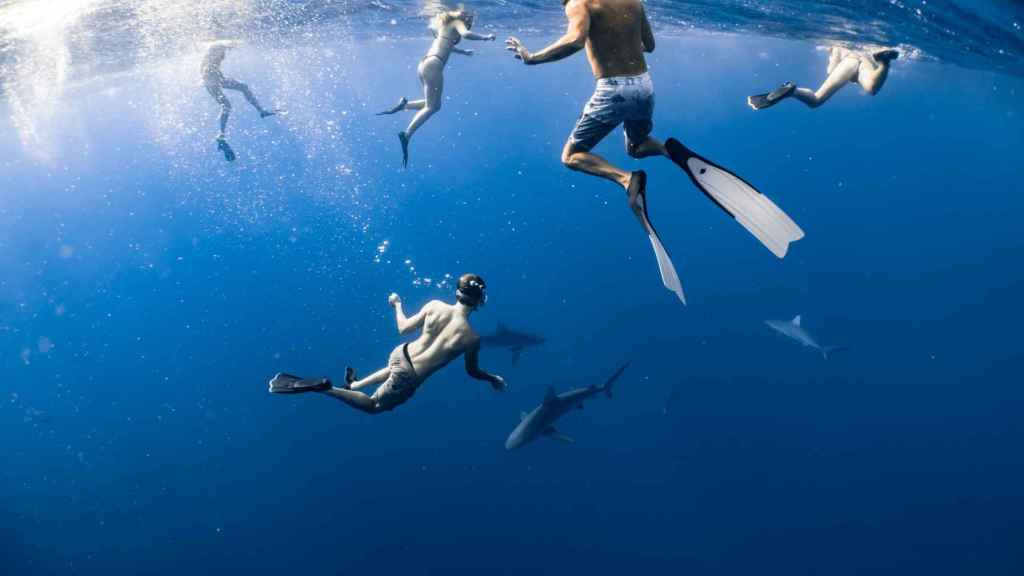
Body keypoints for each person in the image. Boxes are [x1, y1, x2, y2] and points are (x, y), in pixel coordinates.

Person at [505, 0, 803, 305]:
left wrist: (533, 58)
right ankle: (667, 151)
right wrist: (619, 35)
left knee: (571, 155)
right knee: (635, 145)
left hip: (612, 90)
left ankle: (626, 180)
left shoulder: (580, 3)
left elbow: (574, 40)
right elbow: (649, 44)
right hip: (645, 87)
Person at [268, 274, 506, 414]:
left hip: (401, 354)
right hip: (410, 375)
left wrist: (397, 305)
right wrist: (493, 378)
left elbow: (403, 329)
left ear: (456, 292)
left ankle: (355, 384)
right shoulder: (472, 338)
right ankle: (325, 388)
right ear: (480, 301)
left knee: (394, 369)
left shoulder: (435, 305)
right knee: (374, 406)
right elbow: (472, 372)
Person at [376, 6, 496, 168]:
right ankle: (407, 134)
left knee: (430, 103)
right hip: (434, 66)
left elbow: (446, 46)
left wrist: (464, 53)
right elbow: (466, 34)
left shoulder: (445, 25)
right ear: (462, 15)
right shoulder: (457, 22)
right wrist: (485, 37)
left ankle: (404, 105)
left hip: (424, 64)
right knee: (433, 107)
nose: (469, 20)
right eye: (469, 17)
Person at [748, 46, 899, 110]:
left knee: (816, 99)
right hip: (861, 61)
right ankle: (883, 61)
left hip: (851, 62)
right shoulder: (845, 51)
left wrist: (834, 61)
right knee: (871, 87)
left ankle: (884, 62)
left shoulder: (837, 48)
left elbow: (831, 69)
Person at [201, 41, 279, 161]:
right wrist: (216, 76)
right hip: (211, 81)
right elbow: (207, 69)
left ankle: (261, 111)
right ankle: (221, 135)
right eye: (223, 54)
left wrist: (218, 76)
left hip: (213, 80)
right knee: (229, 102)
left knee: (237, 94)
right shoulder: (214, 51)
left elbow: (208, 68)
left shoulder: (215, 54)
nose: (224, 57)